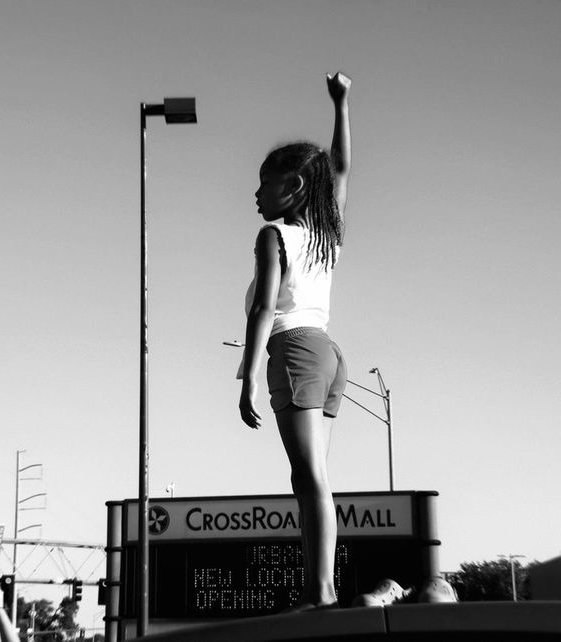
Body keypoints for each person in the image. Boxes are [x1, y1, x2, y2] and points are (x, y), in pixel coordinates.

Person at [238, 71, 351, 612]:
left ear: (295, 187)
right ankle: (319, 588)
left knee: (309, 478)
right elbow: (342, 169)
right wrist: (342, 104)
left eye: (264, 181)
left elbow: (264, 307)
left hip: (295, 349)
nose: (256, 192)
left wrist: (249, 377)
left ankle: (321, 590)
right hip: (329, 354)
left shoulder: (273, 235)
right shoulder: (326, 233)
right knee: (311, 477)